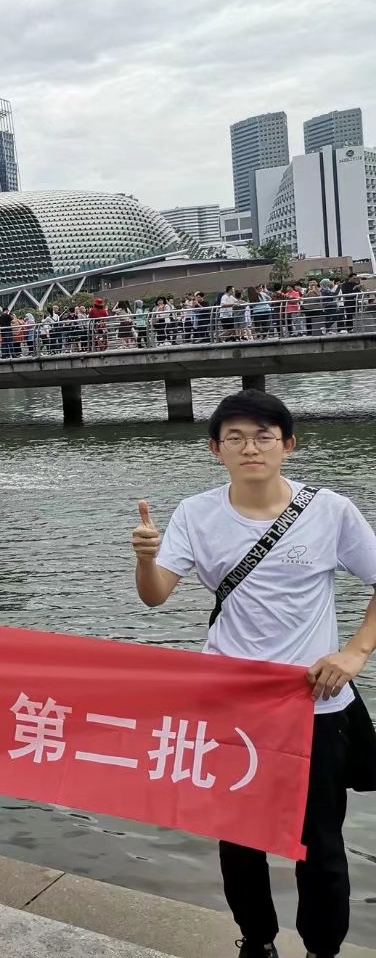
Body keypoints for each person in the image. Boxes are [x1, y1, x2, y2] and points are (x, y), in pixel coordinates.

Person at [131, 389, 376, 958]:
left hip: (314, 705)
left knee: (318, 841)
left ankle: (322, 949)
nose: (251, 447)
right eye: (235, 438)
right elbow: (155, 597)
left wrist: (355, 653)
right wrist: (146, 557)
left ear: (287, 445)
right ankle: (258, 942)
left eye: (264, 436)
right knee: (239, 838)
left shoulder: (331, 511)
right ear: (215, 449)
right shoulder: (196, 513)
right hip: (232, 707)